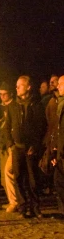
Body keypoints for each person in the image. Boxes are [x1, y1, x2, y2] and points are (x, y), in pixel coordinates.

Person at [5, 76, 46, 218]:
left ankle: (35, 207)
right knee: (18, 178)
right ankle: (23, 207)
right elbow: (7, 126)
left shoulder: (36, 105)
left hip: (30, 148)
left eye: (20, 85)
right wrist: (10, 143)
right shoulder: (13, 106)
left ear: (28, 87)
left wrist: (35, 145)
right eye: (16, 86)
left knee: (33, 179)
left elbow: (41, 127)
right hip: (17, 147)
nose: (17, 88)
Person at [0, 82, 22, 212]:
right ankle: (12, 200)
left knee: (10, 171)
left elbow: (11, 126)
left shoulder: (14, 106)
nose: (2, 96)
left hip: (12, 144)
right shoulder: (2, 107)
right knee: (5, 174)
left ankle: (15, 201)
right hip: (4, 143)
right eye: (0, 94)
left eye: (4, 94)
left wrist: (11, 143)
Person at [51, 75, 64, 216]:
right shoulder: (59, 104)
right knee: (59, 181)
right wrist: (55, 148)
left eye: (61, 84)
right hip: (61, 150)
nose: (58, 86)